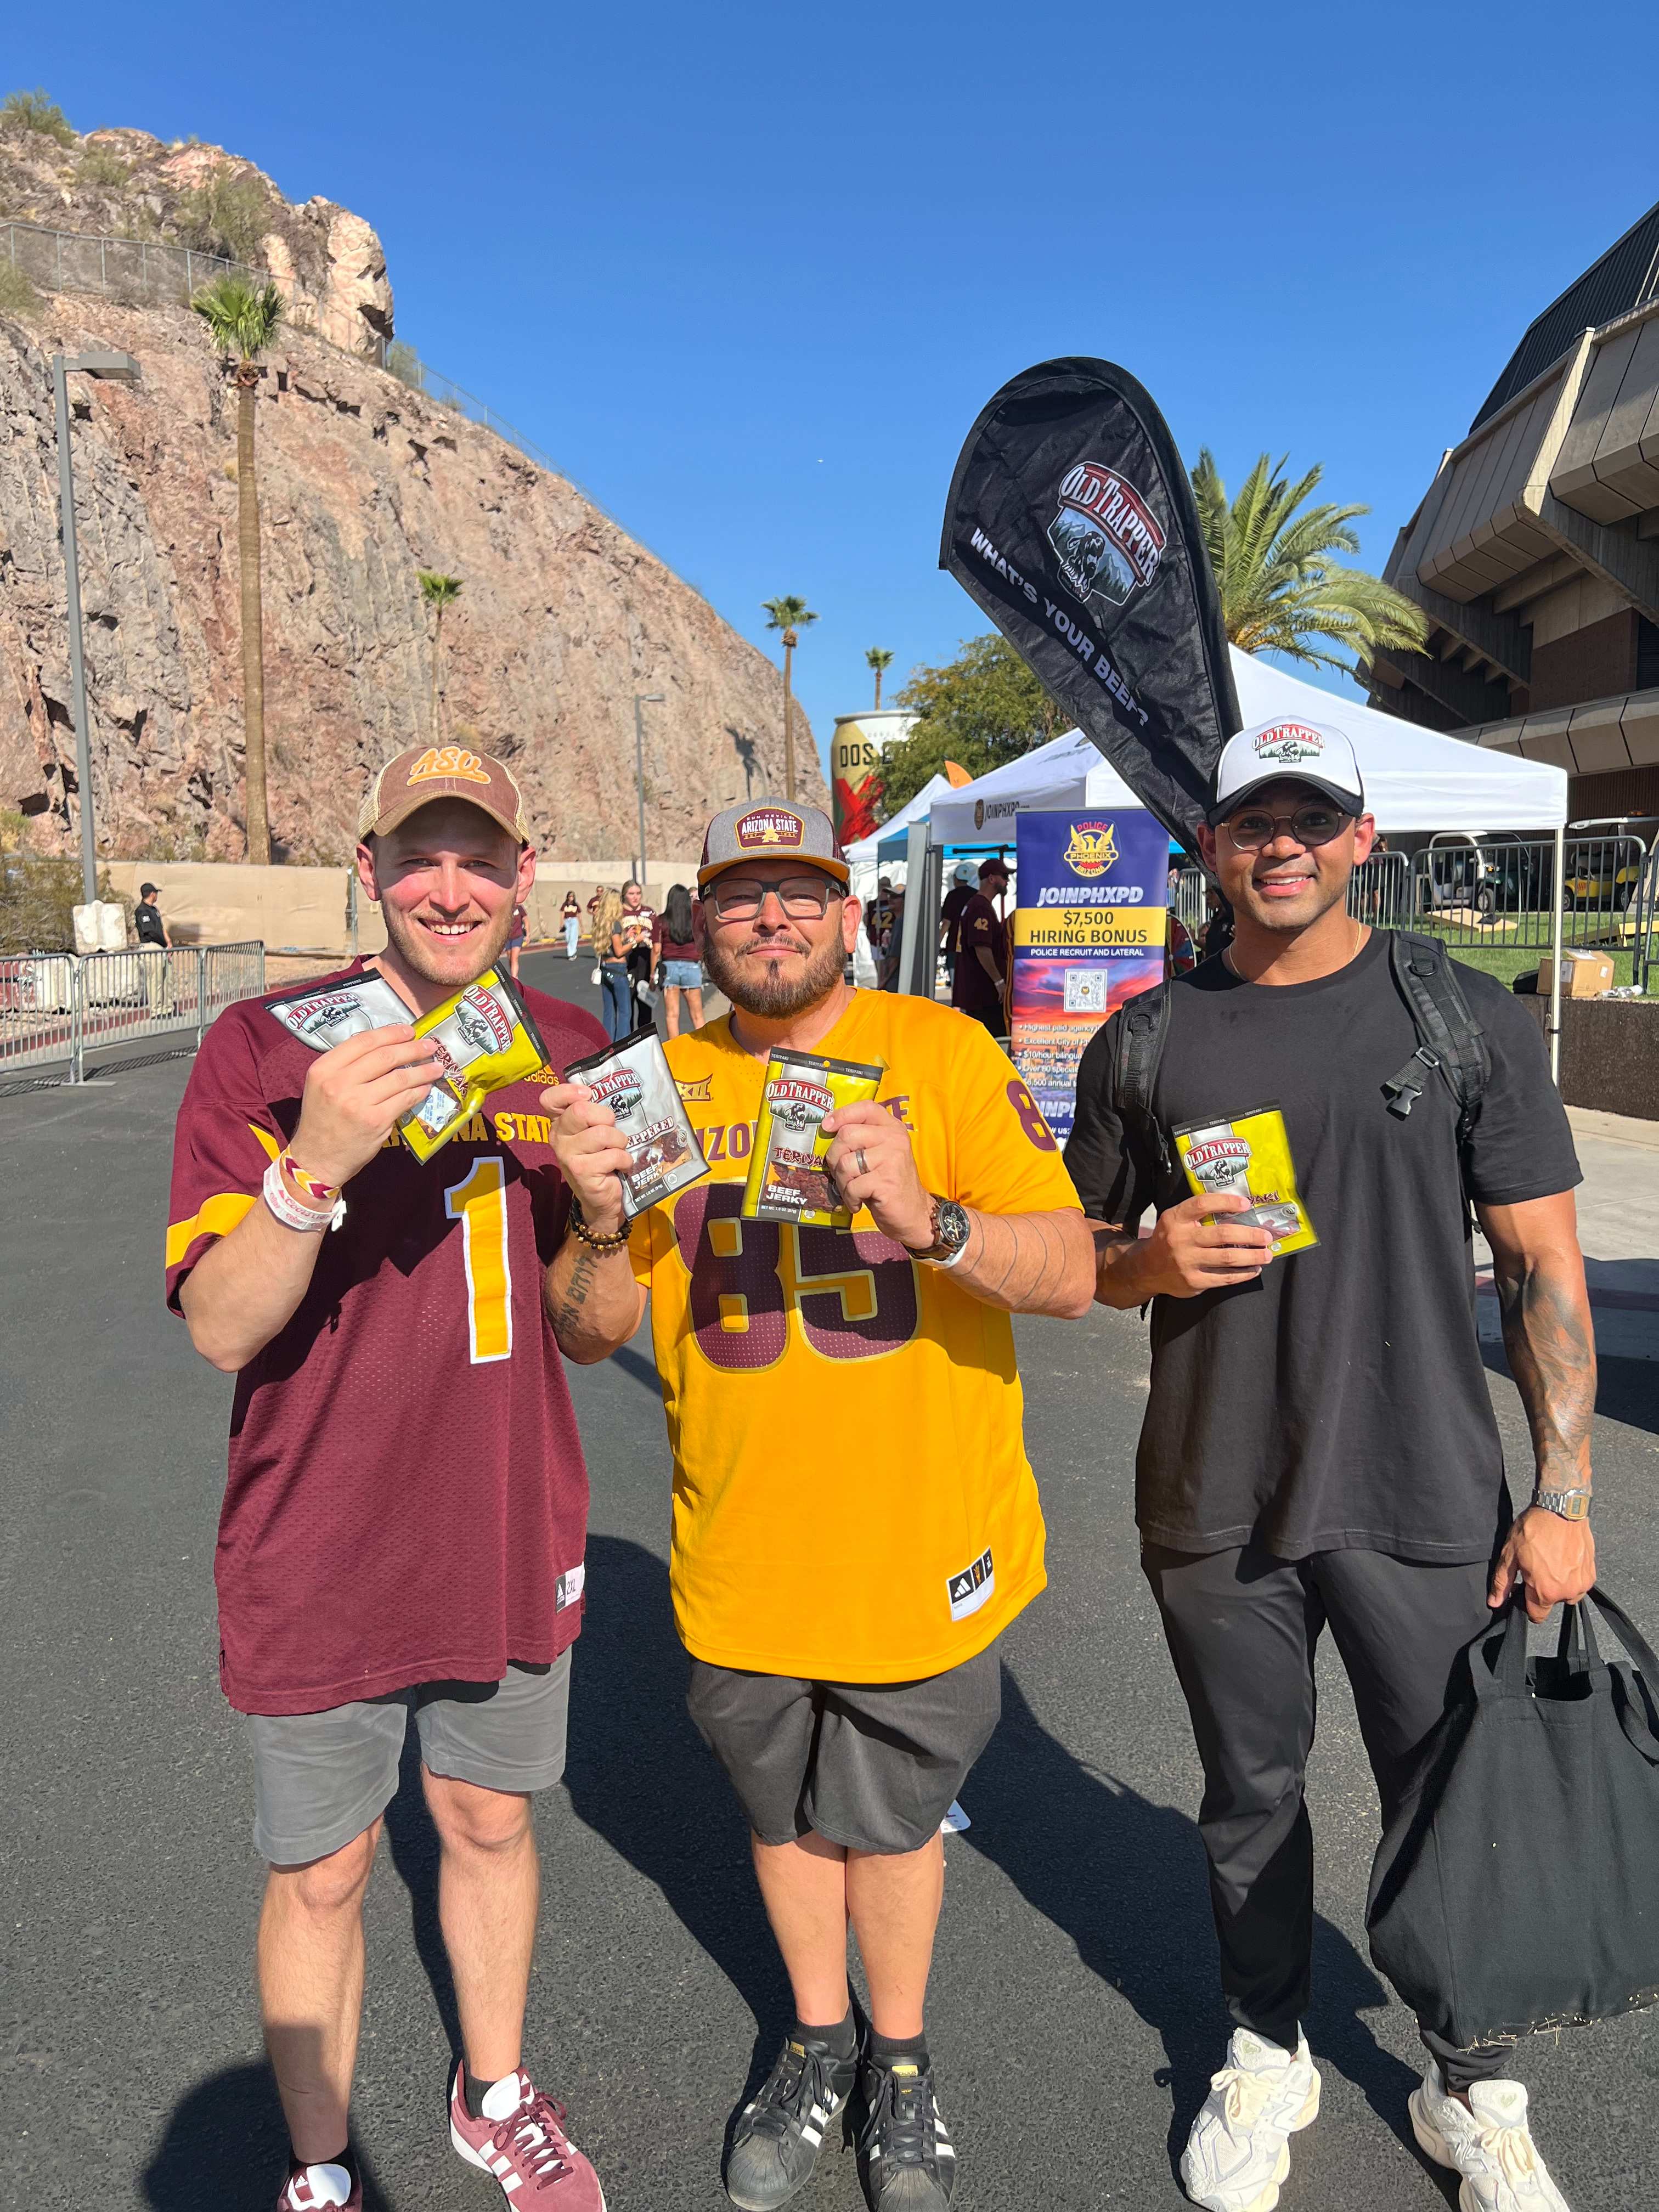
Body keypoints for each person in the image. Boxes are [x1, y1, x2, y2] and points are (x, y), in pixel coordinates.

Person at [1064, 718, 1596, 2212]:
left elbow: (1545, 1266)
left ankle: (1472, 2080)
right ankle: (1265, 2045)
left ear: (1365, 838)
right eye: (1254, 822)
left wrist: (1561, 1497)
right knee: (1249, 1790)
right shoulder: (1149, 1039)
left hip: (1424, 1485)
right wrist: (1148, 1255)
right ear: (1213, 848)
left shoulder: (1462, 1017)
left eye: (1315, 818)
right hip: (1215, 1493)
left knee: (1445, 1793)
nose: (1282, 844)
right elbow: (1084, 1258)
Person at [541, 800, 1094, 2212]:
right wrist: (600, 1222)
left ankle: (901, 2066)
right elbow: (588, 1329)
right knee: (782, 1815)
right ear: (699, 925)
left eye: (800, 894)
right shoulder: (656, 1081)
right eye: (740, 898)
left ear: (850, 915)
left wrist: (937, 1222)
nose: (771, 919)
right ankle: (818, 2038)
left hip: (919, 1533)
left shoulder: (944, 1054)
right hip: (741, 1540)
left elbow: (1074, 1269)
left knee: (897, 1822)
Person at [166, 744, 610, 2212]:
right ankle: (318, 2170)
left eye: (480, 857)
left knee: (490, 1822)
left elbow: (592, 1332)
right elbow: (224, 1324)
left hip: (503, 1515)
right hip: (319, 1528)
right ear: (370, 874)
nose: (450, 886)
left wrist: (606, 1222)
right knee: (327, 1874)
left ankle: (495, 2095)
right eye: (419, 856)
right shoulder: (262, 1042)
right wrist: (315, 1166)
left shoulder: (562, 1036)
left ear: (524, 878)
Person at [950, 857, 1009, 1039]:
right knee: (993, 1041)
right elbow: (982, 948)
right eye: (1004, 876)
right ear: (992, 879)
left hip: (979, 993)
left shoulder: (978, 905)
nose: (1007, 882)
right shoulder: (980, 908)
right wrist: (999, 982)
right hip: (983, 995)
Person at [653, 881, 704, 1037]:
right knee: (697, 1016)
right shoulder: (694, 920)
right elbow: (703, 944)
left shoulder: (662, 920)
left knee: (672, 1016)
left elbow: (656, 950)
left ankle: (674, 1054)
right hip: (692, 967)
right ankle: (705, 1049)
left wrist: (652, 975)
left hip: (670, 969)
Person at [136, 878, 176, 1014]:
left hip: (161, 947)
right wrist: (162, 943)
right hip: (151, 947)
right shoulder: (142, 911)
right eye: (156, 893)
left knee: (166, 979)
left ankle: (167, 1007)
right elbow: (151, 932)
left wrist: (168, 942)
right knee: (155, 980)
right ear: (152, 894)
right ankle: (156, 1009)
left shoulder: (154, 910)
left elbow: (161, 928)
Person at [592, 885, 627, 1039]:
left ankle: (607, 1044)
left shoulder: (601, 923)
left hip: (605, 968)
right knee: (625, 1011)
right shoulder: (615, 924)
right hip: (618, 969)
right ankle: (622, 1045)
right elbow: (619, 951)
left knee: (609, 1012)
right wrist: (634, 941)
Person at [938, 862, 977, 988]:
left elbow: (946, 924)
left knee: (957, 986)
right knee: (971, 984)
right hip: (973, 946)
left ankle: (958, 1008)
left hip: (954, 947)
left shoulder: (952, 896)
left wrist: (936, 945)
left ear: (955, 878)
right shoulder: (976, 895)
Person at [506, 899, 527, 982]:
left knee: (514, 958)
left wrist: (528, 934)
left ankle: (515, 978)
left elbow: (526, 920)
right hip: (508, 938)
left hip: (518, 936)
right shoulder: (506, 909)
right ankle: (513, 975)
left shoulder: (519, 908)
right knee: (510, 957)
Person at [561, 890, 582, 960]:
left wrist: (582, 925)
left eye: (573, 896)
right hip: (567, 921)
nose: (571, 897)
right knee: (568, 938)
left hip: (574, 920)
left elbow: (579, 915)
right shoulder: (565, 905)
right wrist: (561, 923)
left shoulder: (576, 905)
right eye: (570, 896)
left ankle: (571, 954)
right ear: (568, 897)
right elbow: (562, 914)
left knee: (573, 937)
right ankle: (573, 951)